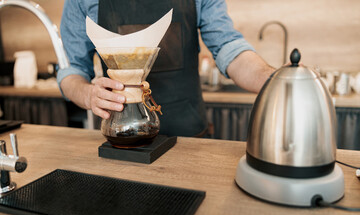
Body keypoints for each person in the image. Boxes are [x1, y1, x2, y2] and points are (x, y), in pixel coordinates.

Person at [57, 0, 275, 137]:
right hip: (122, 137)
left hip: (190, 140)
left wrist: (276, 79)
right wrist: (86, 93)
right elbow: (72, 70)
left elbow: (229, 47)